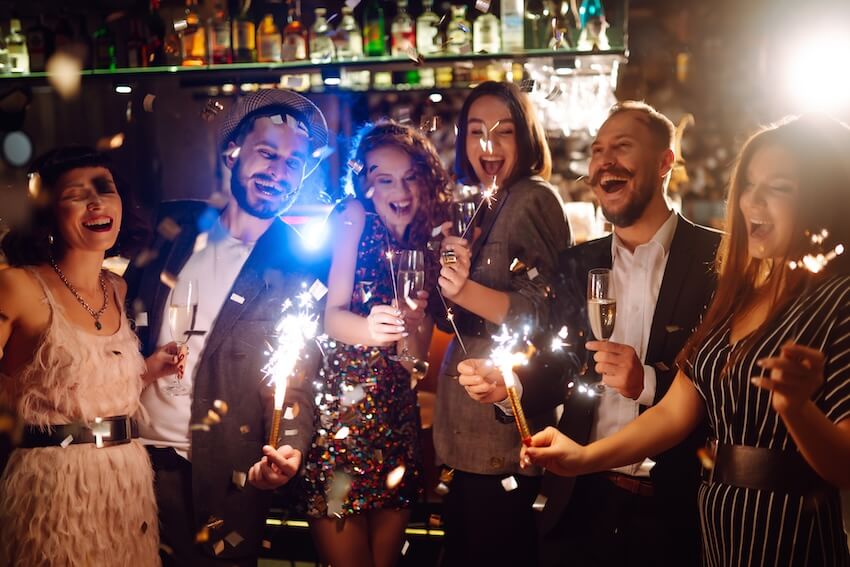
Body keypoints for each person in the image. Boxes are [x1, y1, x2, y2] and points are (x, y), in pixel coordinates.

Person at [523, 114, 850, 566]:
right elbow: (676, 411)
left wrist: (796, 408)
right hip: (716, 528)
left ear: (823, 199)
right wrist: (582, 458)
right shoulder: (739, 294)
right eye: (749, 185)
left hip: (791, 530)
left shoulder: (839, 300)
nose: (753, 200)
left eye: (779, 188)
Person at [123, 89, 329, 566]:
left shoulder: (302, 265)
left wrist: (289, 451)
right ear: (232, 152)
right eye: (267, 153)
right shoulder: (171, 226)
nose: (279, 171)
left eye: (294, 162)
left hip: (223, 477)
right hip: (131, 461)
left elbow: (296, 381)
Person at [0, 147, 179, 566]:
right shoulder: (17, 287)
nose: (96, 203)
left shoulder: (115, 287)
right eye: (75, 194)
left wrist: (149, 371)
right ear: (47, 214)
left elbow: (85, 386)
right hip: (51, 485)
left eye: (105, 189)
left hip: (127, 481)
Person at [433, 81, 571, 567]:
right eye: (475, 131)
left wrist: (461, 288)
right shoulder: (481, 203)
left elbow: (545, 312)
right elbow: (451, 318)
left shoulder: (532, 198)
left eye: (503, 131)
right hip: (460, 427)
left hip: (502, 427)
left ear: (527, 138)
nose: (487, 145)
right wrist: (447, 274)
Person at [303, 120, 450, 567]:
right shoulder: (353, 215)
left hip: (396, 428)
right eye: (383, 179)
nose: (399, 190)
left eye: (408, 177)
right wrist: (371, 330)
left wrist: (414, 321)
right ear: (364, 186)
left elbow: (413, 362)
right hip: (341, 428)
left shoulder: (425, 246)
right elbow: (331, 318)